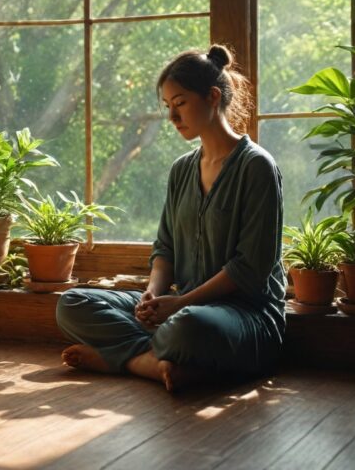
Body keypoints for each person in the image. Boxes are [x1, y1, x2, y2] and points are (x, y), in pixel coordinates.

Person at [55, 45, 286, 392]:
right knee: (71, 304)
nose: (172, 118)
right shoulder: (182, 169)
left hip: (244, 316)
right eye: (167, 107)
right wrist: (152, 295)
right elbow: (165, 248)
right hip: (179, 306)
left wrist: (178, 304)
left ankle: (122, 359)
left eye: (180, 104)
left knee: (189, 328)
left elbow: (249, 269)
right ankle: (150, 363)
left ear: (211, 97)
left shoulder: (257, 167)